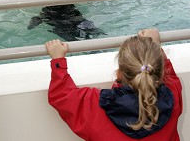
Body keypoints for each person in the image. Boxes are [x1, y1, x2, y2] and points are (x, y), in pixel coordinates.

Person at [45, 28, 182, 141]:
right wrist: (155, 45)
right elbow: (168, 75)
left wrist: (58, 61)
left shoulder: (96, 105)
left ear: (119, 74)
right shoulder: (171, 97)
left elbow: (62, 96)